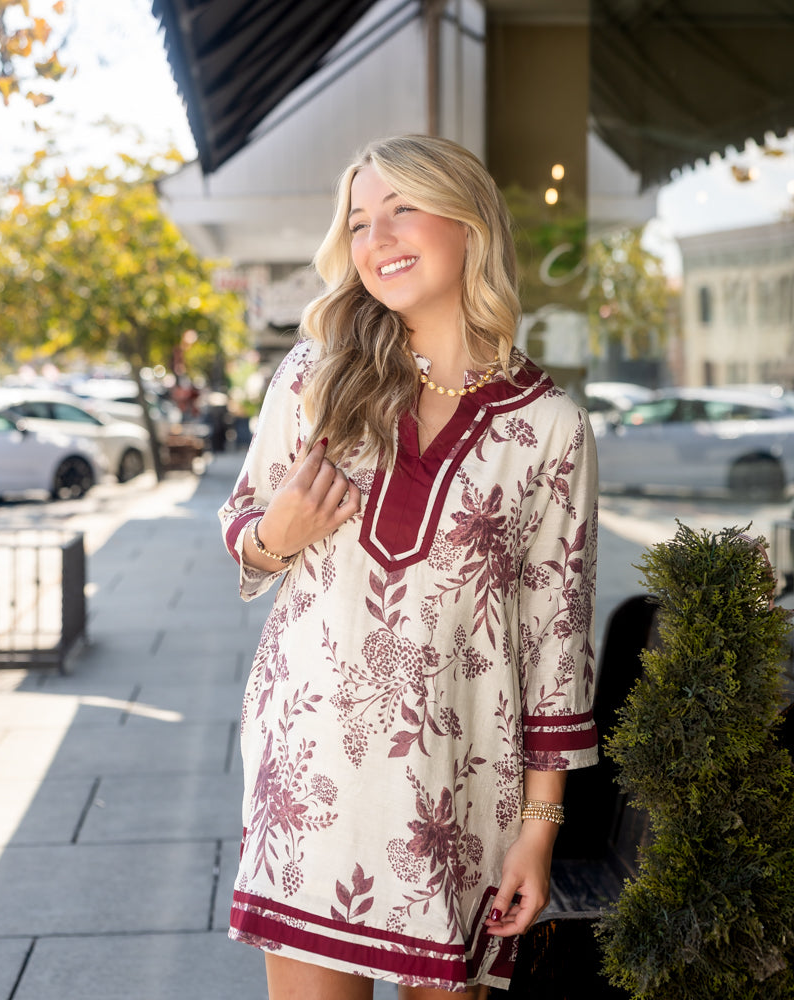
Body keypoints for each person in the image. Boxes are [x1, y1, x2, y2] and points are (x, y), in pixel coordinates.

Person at [218, 134, 599, 999]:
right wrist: (276, 532)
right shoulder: (315, 375)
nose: (376, 238)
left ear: (470, 224)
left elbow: (555, 645)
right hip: (310, 777)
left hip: (457, 793)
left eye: (402, 210)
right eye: (358, 222)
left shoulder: (550, 429)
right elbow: (245, 530)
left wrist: (538, 831)